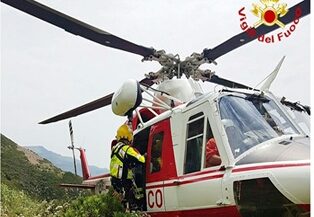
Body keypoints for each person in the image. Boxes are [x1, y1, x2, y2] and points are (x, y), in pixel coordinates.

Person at [110, 124, 145, 208]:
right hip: (124, 182)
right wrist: (144, 155)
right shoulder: (126, 149)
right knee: (130, 203)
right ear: (129, 137)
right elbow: (141, 160)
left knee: (120, 204)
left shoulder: (114, 149)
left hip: (115, 182)